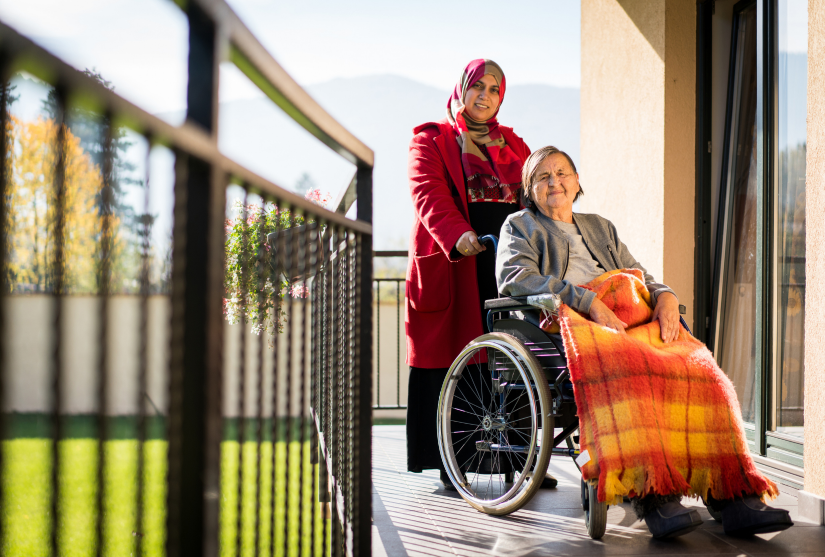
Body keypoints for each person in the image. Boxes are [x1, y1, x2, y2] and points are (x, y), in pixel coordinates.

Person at [496, 145, 793, 539]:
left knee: (702, 370)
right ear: (528, 190)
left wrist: (666, 296)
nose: (555, 182)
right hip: (572, 323)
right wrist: (589, 302)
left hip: (628, 317)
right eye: (543, 177)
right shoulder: (519, 226)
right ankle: (652, 497)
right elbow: (516, 279)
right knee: (629, 370)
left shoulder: (600, 225)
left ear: (577, 181)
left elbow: (640, 274)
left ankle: (732, 495)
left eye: (563, 173)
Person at [405, 59, 546, 488]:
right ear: (462, 89)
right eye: (477, 87)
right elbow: (426, 192)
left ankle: (517, 460)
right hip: (457, 257)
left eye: (494, 90)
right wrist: (458, 234)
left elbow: (534, 193)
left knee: (510, 354)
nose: (484, 96)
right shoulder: (432, 139)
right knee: (455, 358)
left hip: (505, 258)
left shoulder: (515, 144)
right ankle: (454, 462)